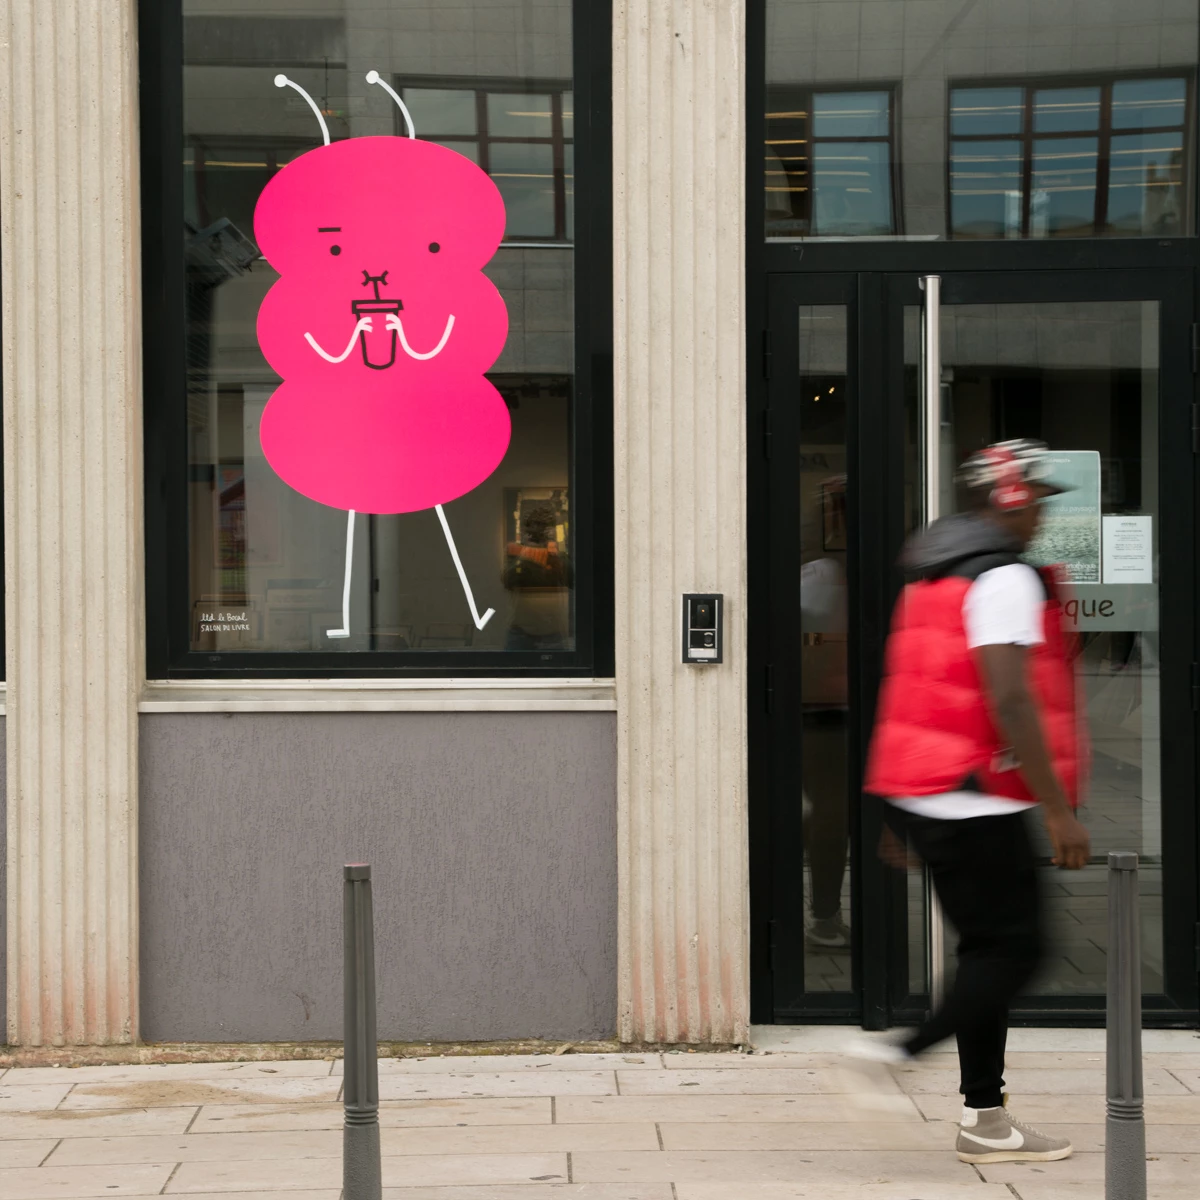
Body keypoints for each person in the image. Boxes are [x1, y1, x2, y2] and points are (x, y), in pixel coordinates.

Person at [853, 439, 1091, 1164]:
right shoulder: (1003, 577)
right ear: (1012, 498)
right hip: (974, 793)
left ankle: (986, 1120)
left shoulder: (932, 574)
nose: (1045, 513)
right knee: (1018, 952)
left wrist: (900, 808)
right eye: (1040, 498)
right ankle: (900, 1052)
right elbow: (1009, 696)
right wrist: (1056, 810)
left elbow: (911, 691)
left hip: (928, 789)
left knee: (986, 955)